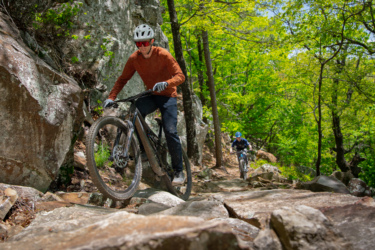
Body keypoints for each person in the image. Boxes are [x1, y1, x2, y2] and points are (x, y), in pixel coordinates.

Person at [102, 24, 186, 185]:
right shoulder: (134, 59)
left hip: (168, 96)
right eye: (138, 44)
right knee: (135, 112)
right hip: (152, 95)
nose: (142, 47)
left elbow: (180, 76)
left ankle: (179, 171)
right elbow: (122, 79)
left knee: (170, 131)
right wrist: (111, 97)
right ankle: (145, 151)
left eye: (145, 43)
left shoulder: (163, 54)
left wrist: (167, 83)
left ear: (152, 41)